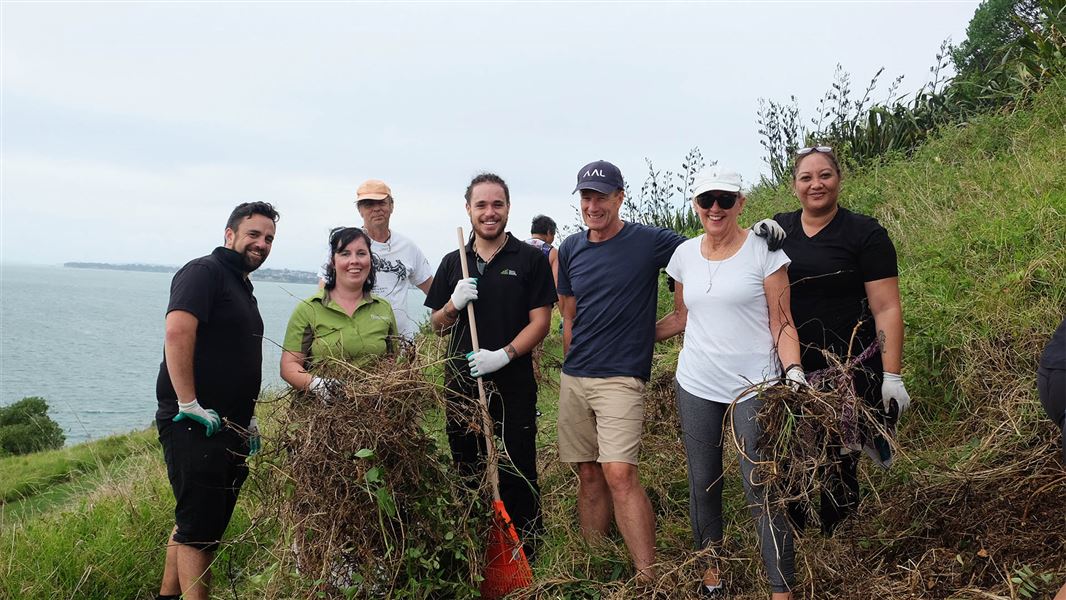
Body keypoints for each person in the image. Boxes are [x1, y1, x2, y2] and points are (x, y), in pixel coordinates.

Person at [556, 160, 785, 582]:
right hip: (577, 377)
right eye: (586, 197)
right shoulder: (570, 248)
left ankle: (648, 576)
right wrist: (572, 359)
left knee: (620, 473)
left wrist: (761, 230)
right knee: (588, 472)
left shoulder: (651, 242)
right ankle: (593, 568)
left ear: (619, 197)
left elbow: (713, 242)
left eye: (602, 196)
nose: (593, 205)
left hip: (626, 377)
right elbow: (569, 314)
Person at [656, 166, 800, 598]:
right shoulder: (683, 255)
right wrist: (621, 337)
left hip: (753, 384)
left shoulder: (764, 251)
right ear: (696, 205)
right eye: (706, 200)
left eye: (724, 199)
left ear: (741, 202)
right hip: (696, 382)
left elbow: (782, 319)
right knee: (703, 482)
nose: (715, 208)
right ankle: (711, 577)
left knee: (760, 482)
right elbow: (681, 317)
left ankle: (781, 588)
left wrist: (793, 371)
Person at [771, 146, 911, 536]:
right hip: (790, 366)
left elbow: (886, 307)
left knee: (840, 456)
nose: (816, 184)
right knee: (790, 457)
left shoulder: (865, 234)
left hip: (848, 367)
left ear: (839, 179)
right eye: (806, 177)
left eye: (825, 175)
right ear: (795, 185)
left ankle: (839, 539)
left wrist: (892, 374)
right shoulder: (779, 230)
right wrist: (757, 238)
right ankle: (794, 540)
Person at [424, 172, 556, 559]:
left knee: (517, 464)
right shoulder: (454, 262)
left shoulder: (530, 259)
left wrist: (505, 354)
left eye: (497, 204)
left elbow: (541, 322)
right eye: (481, 205)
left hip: (513, 382)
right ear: (468, 209)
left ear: (508, 208)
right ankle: (476, 549)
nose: (489, 212)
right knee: (468, 466)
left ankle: (528, 549)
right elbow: (435, 325)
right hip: (461, 385)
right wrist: (453, 304)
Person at [154, 201, 279, 600]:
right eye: (254, 234)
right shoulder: (203, 272)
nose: (261, 243)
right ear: (229, 234)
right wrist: (187, 402)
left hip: (229, 424)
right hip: (193, 422)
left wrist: (249, 418)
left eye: (269, 238)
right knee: (201, 529)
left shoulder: (240, 284)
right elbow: (177, 332)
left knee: (195, 518)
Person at [282, 227, 398, 397]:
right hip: (319, 416)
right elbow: (288, 366)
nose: (354, 261)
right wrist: (319, 386)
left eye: (361, 253)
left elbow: (393, 361)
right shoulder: (309, 308)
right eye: (345, 253)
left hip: (374, 413)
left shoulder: (383, 308)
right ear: (332, 262)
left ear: (370, 260)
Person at [319, 179, 433, 340]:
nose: (376, 209)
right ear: (360, 210)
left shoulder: (408, 247)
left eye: (381, 203)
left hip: (400, 345)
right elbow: (324, 291)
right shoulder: (345, 244)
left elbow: (433, 291)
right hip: (355, 343)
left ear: (391, 206)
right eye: (368, 204)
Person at [525, 214, 559, 286]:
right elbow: (557, 283)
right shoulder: (551, 252)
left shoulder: (518, 247)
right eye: (554, 235)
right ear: (549, 232)